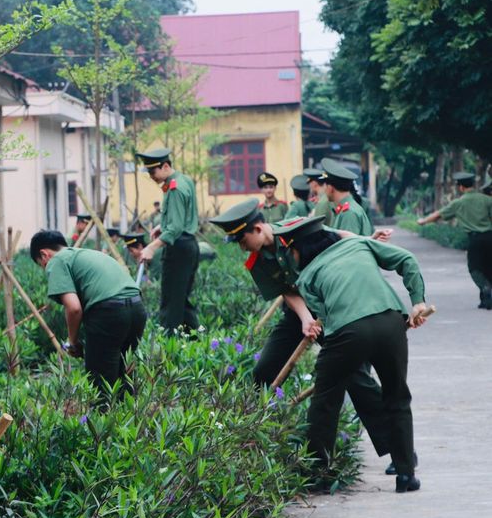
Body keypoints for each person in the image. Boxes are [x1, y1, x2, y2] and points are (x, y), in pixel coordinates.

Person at [209, 200, 395, 471]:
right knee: (264, 372)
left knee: (354, 377)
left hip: (331, 309)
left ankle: (397, 449)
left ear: (258, 229)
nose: (242, 247)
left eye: (242, 239)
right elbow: (286, 288)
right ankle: (261, 437)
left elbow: (338, 236)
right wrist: (305, 318)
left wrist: (368, 241)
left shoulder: (296, 229)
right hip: (297, 313)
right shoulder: (256, 258)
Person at [278, 216, 428, 493]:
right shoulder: (359, 244)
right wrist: (417, 300)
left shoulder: (307, 276)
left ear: (298, 250)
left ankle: (319, 475)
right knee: (396, 395)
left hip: (347, 333)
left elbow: (324, 316)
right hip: (391, 322)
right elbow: (406, 259)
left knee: (325, 401)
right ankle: (406, 475)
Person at [30, 230, 147, 401]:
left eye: (41, 264)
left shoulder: (57, 261)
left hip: (109, 312)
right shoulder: (86, 254)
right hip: (137, 309)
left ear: (44, 254)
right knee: (123, 372)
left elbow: (74, 308)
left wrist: (72, 342)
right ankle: (129, 421)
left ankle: (103, 423)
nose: (45, 268)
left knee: (100, 381)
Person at [136, 148, 200, 333]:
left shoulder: (175, 188)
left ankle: (168, 346)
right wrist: (162, 226)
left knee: (170, 302)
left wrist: (151, 248)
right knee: (181, 299)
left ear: (165, 166)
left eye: (153, 171)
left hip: (179, 248)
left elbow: (176, 228)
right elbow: (180, 217)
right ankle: (198, 340)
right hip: (188, 246)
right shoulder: (183, 180)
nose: (151, 176)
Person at [418, 172, 492, 309]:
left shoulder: (459, 202)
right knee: (489, 266)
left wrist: (423, 221)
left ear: (460, 187)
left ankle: (486, 290)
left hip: (475, 240)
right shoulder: (487, 199)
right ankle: (485, 299)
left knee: (475, 268)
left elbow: (438, 214)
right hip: (489, 237)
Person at [320, 159, 374, 236]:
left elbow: (348, 246)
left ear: (330, 188)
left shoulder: (349, 213)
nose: (324, 190)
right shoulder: (345, 209)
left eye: (325, 186)